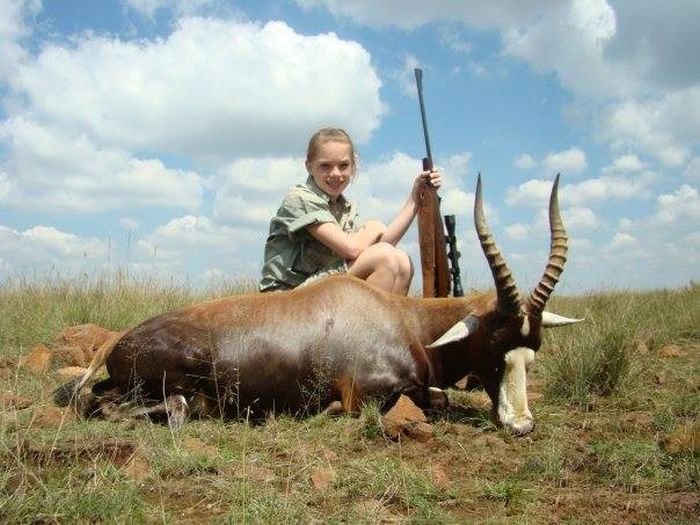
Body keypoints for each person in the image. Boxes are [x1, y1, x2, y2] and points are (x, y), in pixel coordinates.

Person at [259, 127, 442, 295]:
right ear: (309, 166)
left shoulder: (344, 207)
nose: (335, 174)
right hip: (285, 299)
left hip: (315, 290)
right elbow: (352, 249)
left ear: (353, 166)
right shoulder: (299, 198)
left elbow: (382, 244)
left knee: (401, 261)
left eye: (343, 165)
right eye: (325, 166)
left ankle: (388, 321)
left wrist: (415, 199)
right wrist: (375, 227)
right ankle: (369, 321)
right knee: (385, 257)